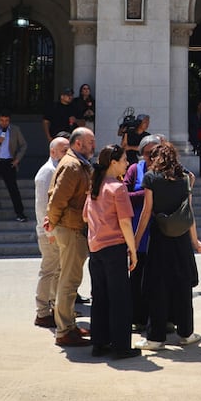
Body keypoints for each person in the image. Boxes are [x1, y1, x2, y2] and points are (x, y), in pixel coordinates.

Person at [134, 141, 201, 350]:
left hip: (159, 238)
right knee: (182, 286)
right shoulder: (185, 179)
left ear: (154, 158)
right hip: (181, 239)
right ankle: (186, 333)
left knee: (158, 287)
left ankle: (155, 338)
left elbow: (146, 213)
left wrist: (135, 243)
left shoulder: (151, 179)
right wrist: (195, 241)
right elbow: (188, 214)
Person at [84, 144, 140, 359]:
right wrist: (133, 251)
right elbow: (125, 223)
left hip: (95, 248)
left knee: (99, 297)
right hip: (114, 248)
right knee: (120, 299)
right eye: (125, 160)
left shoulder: (94, 186)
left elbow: (85, 217)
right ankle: (121, 347)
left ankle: (99, 343)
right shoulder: (118, 188)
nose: (127, 163)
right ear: (113, 163)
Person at [46, 127, 96, 346]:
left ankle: (68, 326)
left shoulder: (77, 164)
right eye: (90, 142)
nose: (93, 145)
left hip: (72, 227)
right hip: (70, 228)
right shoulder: (73, 166)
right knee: (69, 280)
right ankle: (64, 330)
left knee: (70, 279)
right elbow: (57, 200)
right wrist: (52, 224)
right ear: (78, 144)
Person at [125, 134, 163, 328]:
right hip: (139, 232)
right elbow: (124, 194)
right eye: (149, 153)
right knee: (137, 278)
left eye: (157, 152)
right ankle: (137, 318)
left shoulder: (168, 170)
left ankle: (161, 319)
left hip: (161, 232)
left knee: (159, 279)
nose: (153, 157)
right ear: (142, 154)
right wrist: (148, 193)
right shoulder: (134, 169)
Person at [32, 135, 69, 328]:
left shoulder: (60, 170)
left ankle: (55, 307)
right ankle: (42, 311)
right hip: (49, 233)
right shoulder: (47, 172)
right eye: (63, 150)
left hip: (58, 231)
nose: (66, 153)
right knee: (49, 271)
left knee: (58, 272)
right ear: (52, 151)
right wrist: (49, 232)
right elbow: (42, 207)